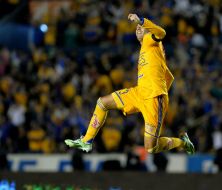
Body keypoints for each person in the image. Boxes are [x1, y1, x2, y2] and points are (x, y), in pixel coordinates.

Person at [65, 13, 195, 154]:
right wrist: (160, 88)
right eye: (137, 27)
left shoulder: (150, 41)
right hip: (139, 93)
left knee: (151, 148)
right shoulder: (151, 51)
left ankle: (182, 142)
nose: (138, 28)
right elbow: (169, 77)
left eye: (141, 27)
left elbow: (162, 32)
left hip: (153, 99)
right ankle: (86, 141)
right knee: (103, 103)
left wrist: (141, 20)